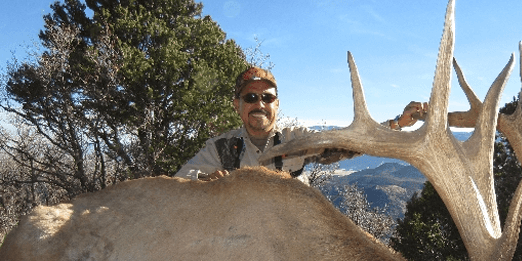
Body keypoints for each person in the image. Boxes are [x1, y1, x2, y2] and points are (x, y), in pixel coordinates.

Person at [175, 66, 427, 181]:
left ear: (277, 104)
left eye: (267, 97)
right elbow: (178, 183)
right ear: (237, 105)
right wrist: (203, 182)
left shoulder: (295, 140)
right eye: (250, 97)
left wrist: (397, 123)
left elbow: (349, 143)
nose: (259, 104)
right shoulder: (220, 148)